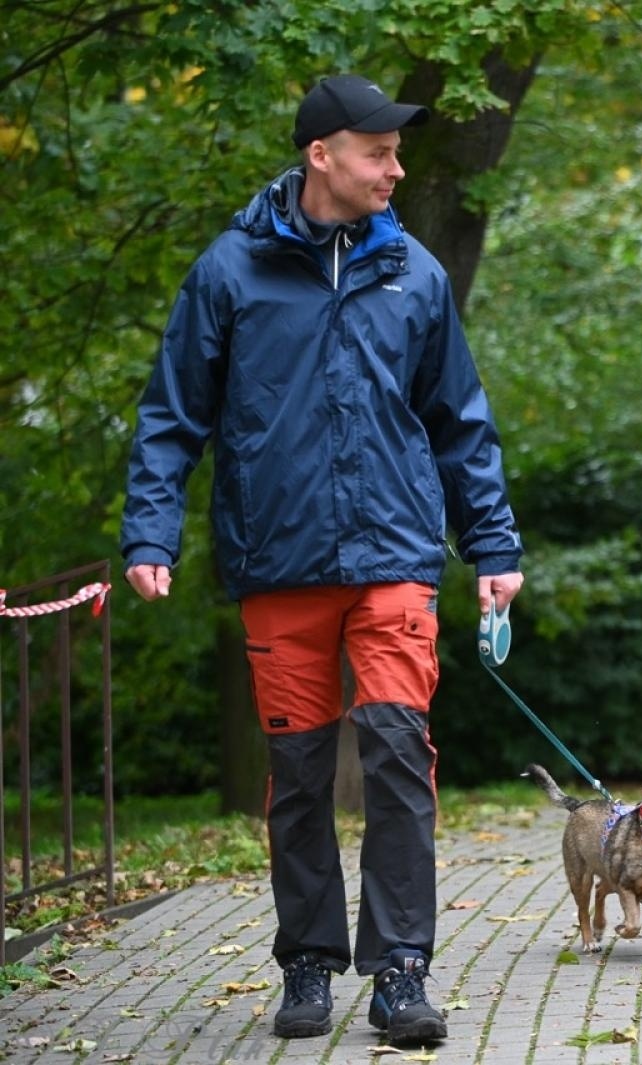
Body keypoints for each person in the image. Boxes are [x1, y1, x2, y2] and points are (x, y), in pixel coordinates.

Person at [120, 74, 525, 1047]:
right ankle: (307, 960)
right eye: (377, 152)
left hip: (393, 556)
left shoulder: (415, 275)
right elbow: (172, 414)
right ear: (321, 156)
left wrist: (493, 543)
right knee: (299, 776)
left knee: (397, 758)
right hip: (279, 562)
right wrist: (150, 531)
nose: (395, 169)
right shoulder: (230, 272)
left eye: (397, 153)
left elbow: (460, 422)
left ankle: (401, 971)